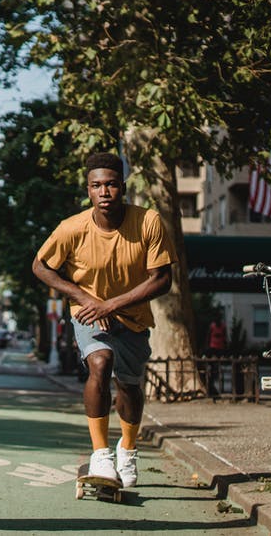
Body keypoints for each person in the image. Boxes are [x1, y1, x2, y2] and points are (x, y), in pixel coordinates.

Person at [31, 152, 174, 488]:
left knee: (129, 386)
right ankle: (100, 454)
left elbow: (162, 279)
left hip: (132, 317)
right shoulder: (71, 228)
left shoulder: (148, 222)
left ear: (122, 187)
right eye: (97, 186)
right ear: (88, 190)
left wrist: (112, 305)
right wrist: (85, 299)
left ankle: (127, 450)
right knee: (100, 362)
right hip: (89, 313)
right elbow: (40, 266)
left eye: (111, 184)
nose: (104, 192)